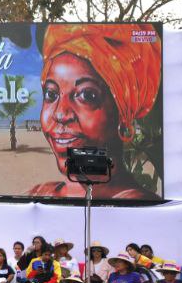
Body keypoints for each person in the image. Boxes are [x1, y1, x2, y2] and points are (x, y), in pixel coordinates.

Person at [28, 23, 162, 199]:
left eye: (87, 95)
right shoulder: (42, 193)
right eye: (51, 94)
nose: (60, 114)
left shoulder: (135, 208)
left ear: (123, 112)